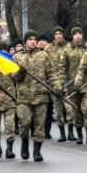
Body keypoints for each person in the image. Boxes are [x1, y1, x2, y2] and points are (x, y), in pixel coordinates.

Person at [9, 30, 53, 162]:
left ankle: (37, 151)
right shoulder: (18, 57)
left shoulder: (43, 56)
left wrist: (56, 87)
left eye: (34, 39)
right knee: (24, 122)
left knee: (39, 125)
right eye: (30, 39)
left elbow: (51, 74)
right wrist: (19, 73)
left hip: (40, 96)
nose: (33, 41)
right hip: (24, 97)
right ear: (25, 41)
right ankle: (24, 144)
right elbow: (12, 76)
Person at [60, 27, 87, 143]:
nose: (78, 36)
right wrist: (63, 84)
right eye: (75, 34)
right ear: (72, 36)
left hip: (86, 84)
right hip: (72, 85)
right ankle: (79, 135)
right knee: (75, 112)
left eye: (80, 33)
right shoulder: (66, 50)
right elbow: (62, 68)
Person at [44, 26, 69, 141]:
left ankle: (72, 132)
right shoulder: (48, 49)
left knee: (70, 109)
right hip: (54, 83)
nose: (58, 35)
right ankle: (62, 132)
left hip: (67, 82)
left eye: (60, 33)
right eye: (56, 33)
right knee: (58, 110)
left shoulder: (68, 47)